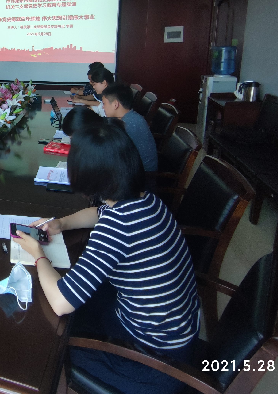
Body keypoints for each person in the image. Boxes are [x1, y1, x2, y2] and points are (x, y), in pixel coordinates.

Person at [14, 122, 200, 394]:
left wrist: (37, 254)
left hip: (153, 362)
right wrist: (61, 223)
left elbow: (61, 303)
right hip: (173, 331)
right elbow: (98, 213)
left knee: (43, 344)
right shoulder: (145, 200)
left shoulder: (117, 227)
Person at [100, 83, 158, 172]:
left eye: (104, 103)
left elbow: (113, 153)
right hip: (133, 167)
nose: (103, 107)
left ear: (115, 104)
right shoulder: (130, 116)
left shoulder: (128, 124)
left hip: (142, 175)